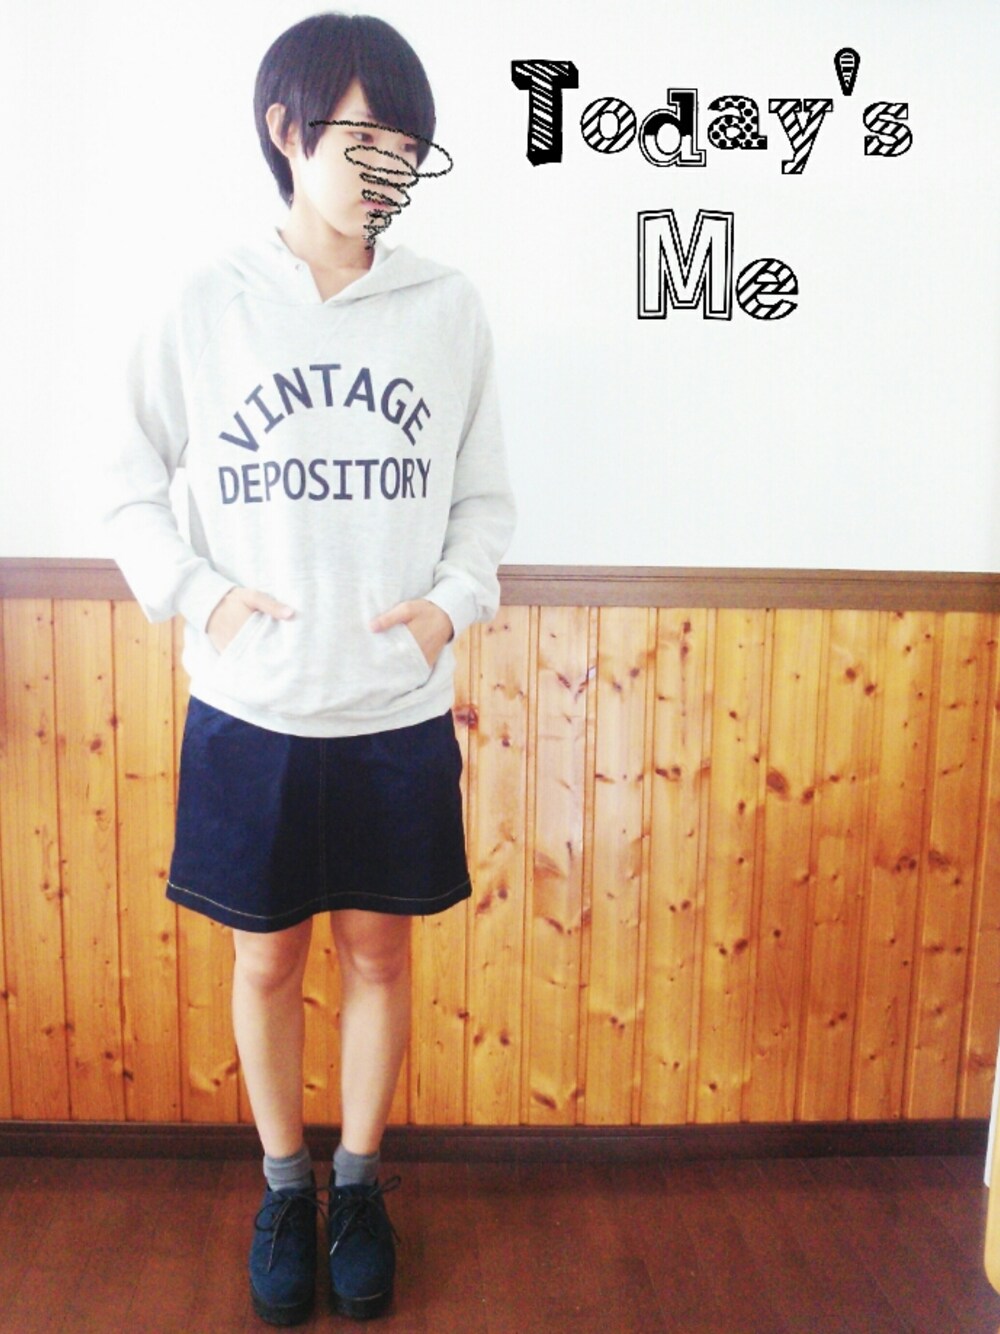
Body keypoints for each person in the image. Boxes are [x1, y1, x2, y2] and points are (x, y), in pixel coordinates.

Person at [103, 12, 514, 1325]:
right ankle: (286, 1187)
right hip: (254, 707)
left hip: (393, 708)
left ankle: (360, 1185)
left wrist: (448, 607)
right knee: (268, 963)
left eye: (410, 144)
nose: (390, 165)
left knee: (380, 959)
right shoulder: (205, 304)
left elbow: (485, 503)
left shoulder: (447, 309)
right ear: (287, 131)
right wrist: (205, 600)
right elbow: (124, 484)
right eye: (363, 136)